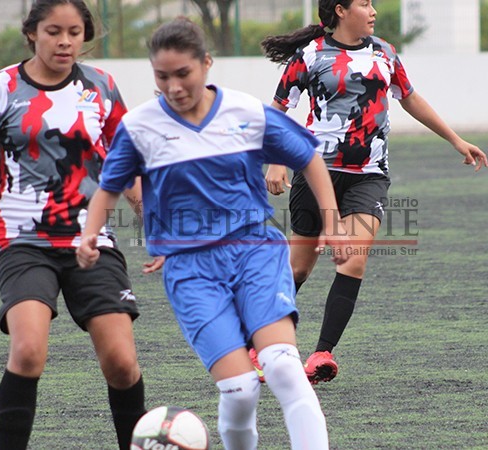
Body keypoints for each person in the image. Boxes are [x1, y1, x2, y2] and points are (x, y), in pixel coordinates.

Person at [79, 17, 351, 450]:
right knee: (241, 388)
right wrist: (91, 234)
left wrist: (333, 221)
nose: (174, 86)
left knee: (282, 366)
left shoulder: (243, 112)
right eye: (162, 76)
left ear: (206, 64)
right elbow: (109, 187)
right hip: (191, 269)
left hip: (254, 250)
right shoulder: (141, 127)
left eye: (183, 74)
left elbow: (308, 158)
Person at [261, 0, 488, 384]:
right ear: (340, 10)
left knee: (352, 260)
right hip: (317, 172)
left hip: (370, 175)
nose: (373, 11)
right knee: (298, 268)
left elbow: (410, 97)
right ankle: (260, 342)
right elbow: (280, 108)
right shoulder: (310, 55)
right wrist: (277, 160)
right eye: (365, 3)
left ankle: (321, 355)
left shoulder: (384, 52)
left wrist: (455, 139)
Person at [0, 1, 146, 448]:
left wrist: (150, 216)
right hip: (23, 237)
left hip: (92, 238)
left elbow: (125, 162)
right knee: (27, 351)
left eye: (75, 32)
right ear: (32, 34)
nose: (65, 41)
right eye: (54, 31)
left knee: (120, 360)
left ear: (85, 36)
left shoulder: (102, 86)